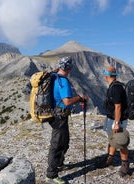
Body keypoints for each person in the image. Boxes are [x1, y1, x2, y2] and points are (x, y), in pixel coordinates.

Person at [46, 56, 89, 184]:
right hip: (59, 116)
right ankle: (51, 175)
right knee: (57, 144)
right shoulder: (63, 81)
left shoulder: (54, 76)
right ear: (69, 68)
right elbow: (67, 101)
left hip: (56, 115)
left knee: (64, 141)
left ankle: (59, 163)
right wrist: (80, 98)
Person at [102, 65, 130, 177]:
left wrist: (117, 123)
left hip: (117, 120)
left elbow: (118, 107)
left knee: (121, 142)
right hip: (112, 118)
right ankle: (109, 159)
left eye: (104, 73)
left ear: (107, 75)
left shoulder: (116, 88)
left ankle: (125, 164)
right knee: (112, 139)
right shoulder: (113, 86)